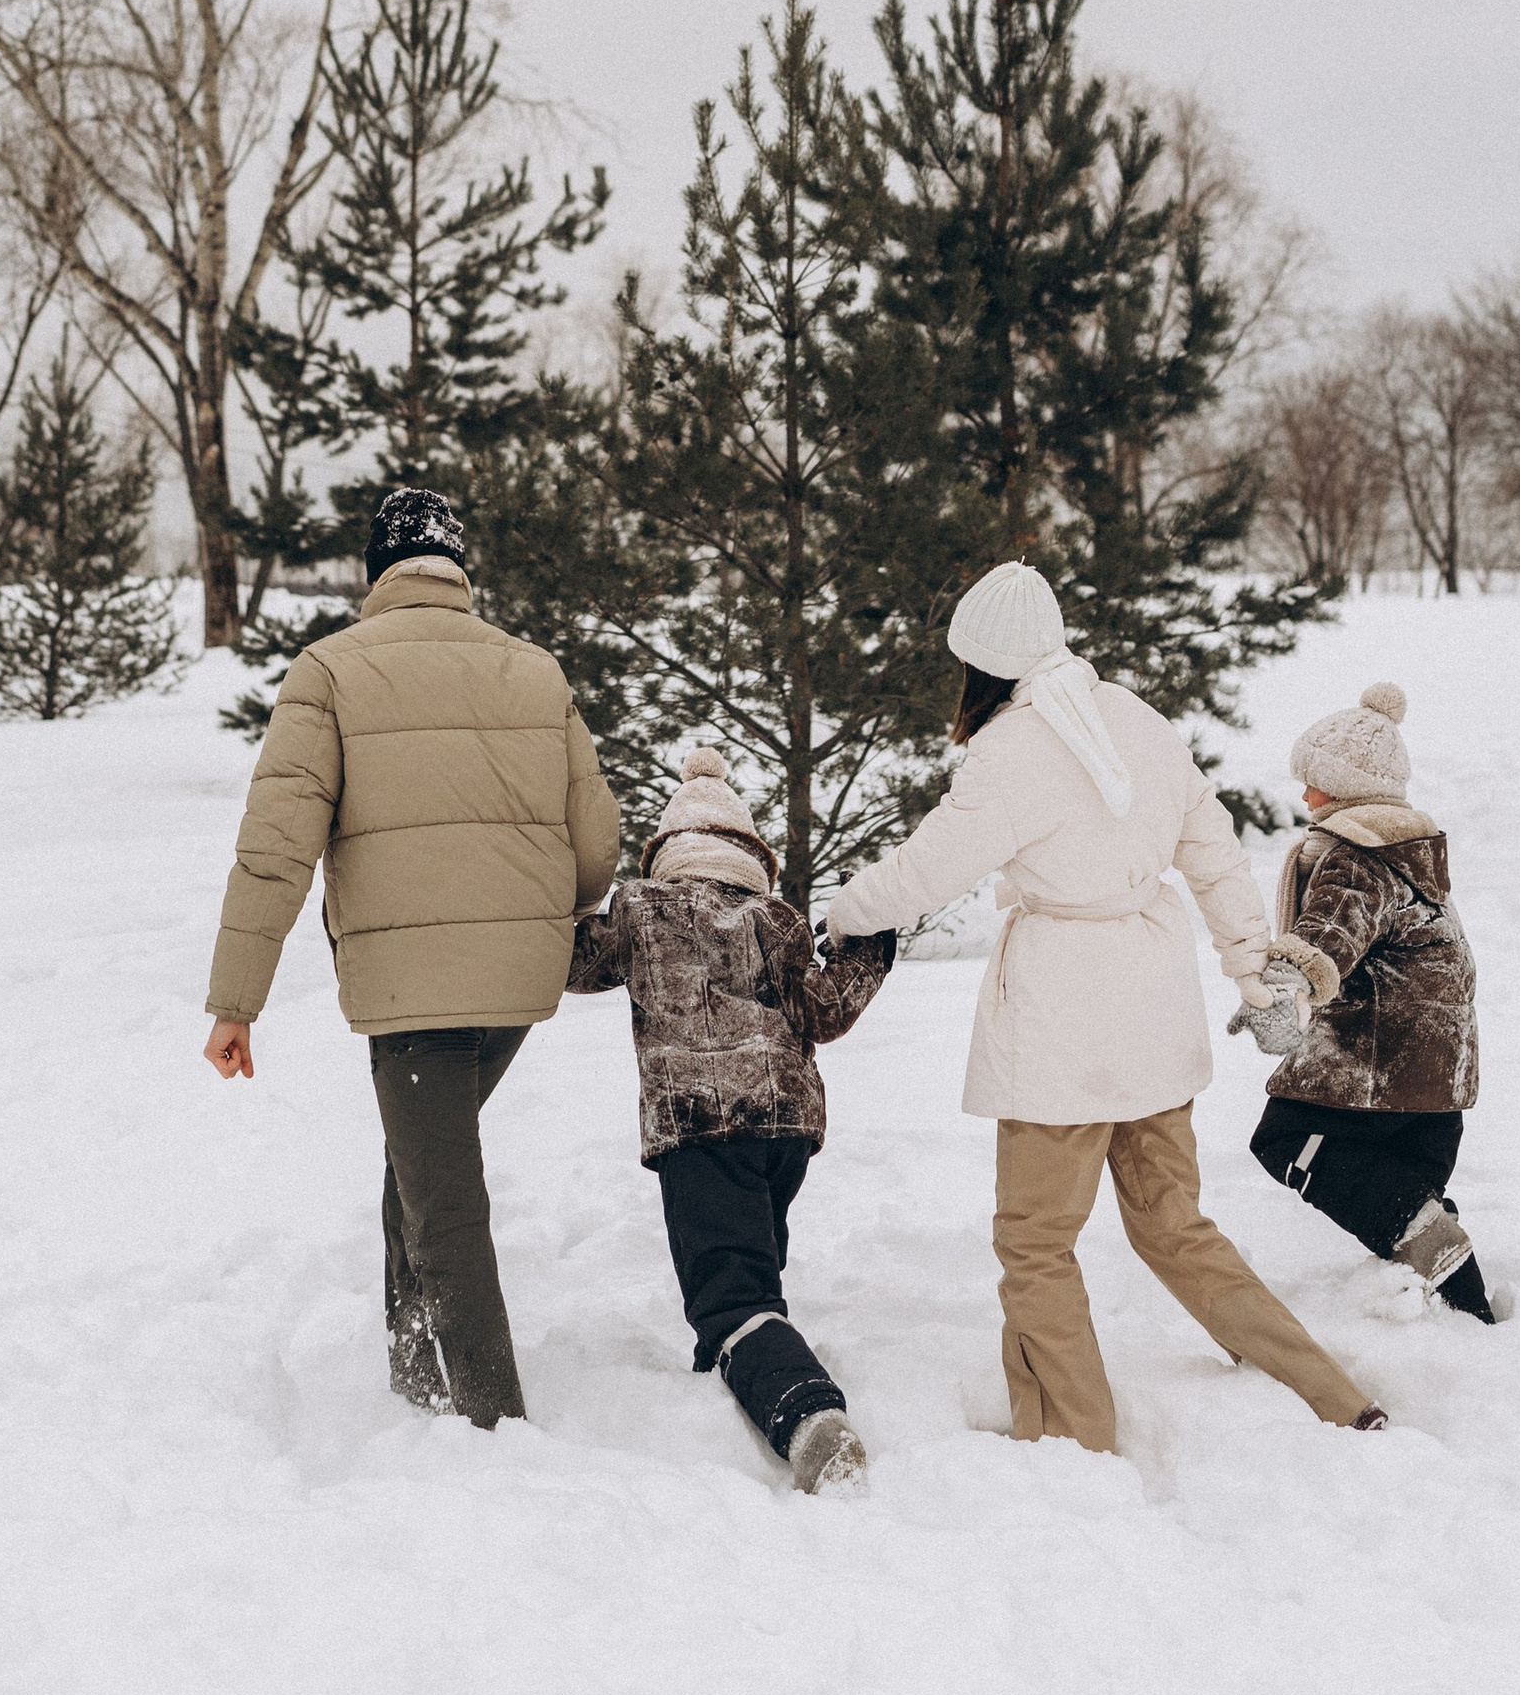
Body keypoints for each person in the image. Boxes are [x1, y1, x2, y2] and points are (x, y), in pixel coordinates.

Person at [823, 561, 1383, 1456]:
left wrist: (840, 913)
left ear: (982, 664)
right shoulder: (1136, 717)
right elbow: (1213, 850)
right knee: (1175, 1226)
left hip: (1061, 1033)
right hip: (1153, 1009)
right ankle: (1331, 1396)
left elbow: (926, 870)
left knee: (1036, 1244)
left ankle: (1077, 1444)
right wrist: (1254, 971)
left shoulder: (1008, 750)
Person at [201, 482, 619, 1429]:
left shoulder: (330, 669)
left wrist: (236, 1002)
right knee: (423, 1163)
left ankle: (489, 1421)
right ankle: (413, 1372)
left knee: (446, 1206)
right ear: (459, 568)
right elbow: (596, 844)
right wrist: (540, 914)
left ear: (375, 569)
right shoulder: (536, 670)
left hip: (407, 990)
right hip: (515, 985)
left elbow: (277, 848)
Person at [566, 745, 896, 1495]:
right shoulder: (775, 919)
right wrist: (870, 947)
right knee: (754, 1257)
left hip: (699, 1123)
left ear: (667, 855)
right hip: (784, 1126)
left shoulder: (642, 911)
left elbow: (572, 962)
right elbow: (824, 1008)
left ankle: (807, 1414)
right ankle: (740, 1363)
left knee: (732, 1294)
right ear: (752, 858)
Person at [1234, 680, 1503, 1322]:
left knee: (1285, 1140)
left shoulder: (1359, 859)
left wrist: (1284, 993)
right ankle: (1457, 1314)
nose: (1304, 797)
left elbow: (1325, 938)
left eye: (1316, 784)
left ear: (1350, 790)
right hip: (1439, 1072)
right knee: (1407, 1200)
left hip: (1378, 1065)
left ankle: (1443, 1261)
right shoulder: (1414, 855)